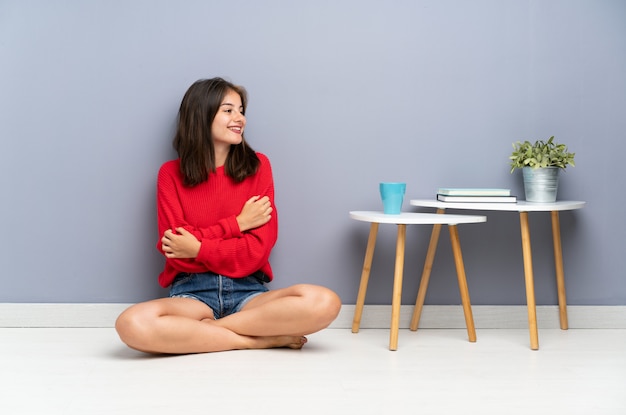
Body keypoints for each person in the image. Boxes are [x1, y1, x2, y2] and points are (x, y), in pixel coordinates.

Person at [115, 77, 341, 354]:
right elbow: (176, 250)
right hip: (192, 294)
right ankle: (256, 339)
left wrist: (198, 246)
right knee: (131, 323)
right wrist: (238, 224)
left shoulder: (259, 167)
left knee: (324, 301)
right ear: (201, 114)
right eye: (228, 110)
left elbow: (256, 251)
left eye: (242, 110)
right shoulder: (170, 175)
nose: (240, 118)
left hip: (250, 293)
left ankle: (205, 335)